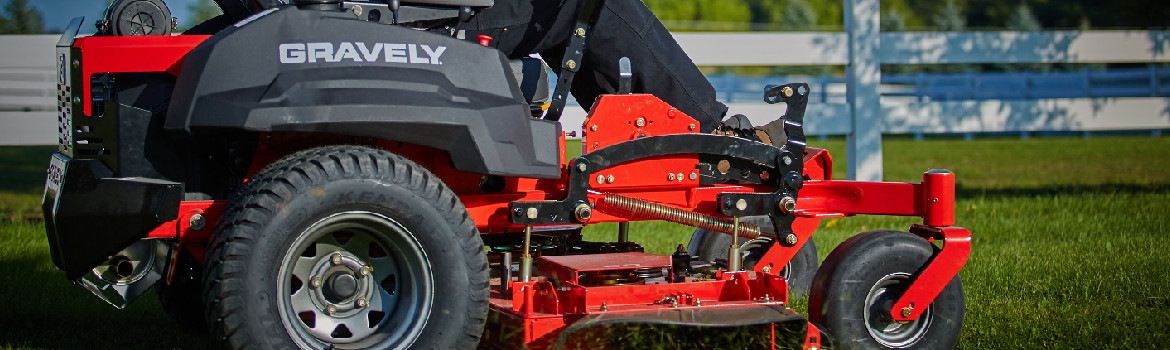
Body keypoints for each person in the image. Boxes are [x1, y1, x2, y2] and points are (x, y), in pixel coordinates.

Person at [461, 0, 768, 140]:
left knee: (562, 14)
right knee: (596, 5)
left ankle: (641, 135)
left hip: (437, 19)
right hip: (440, 22)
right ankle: (707, 134)